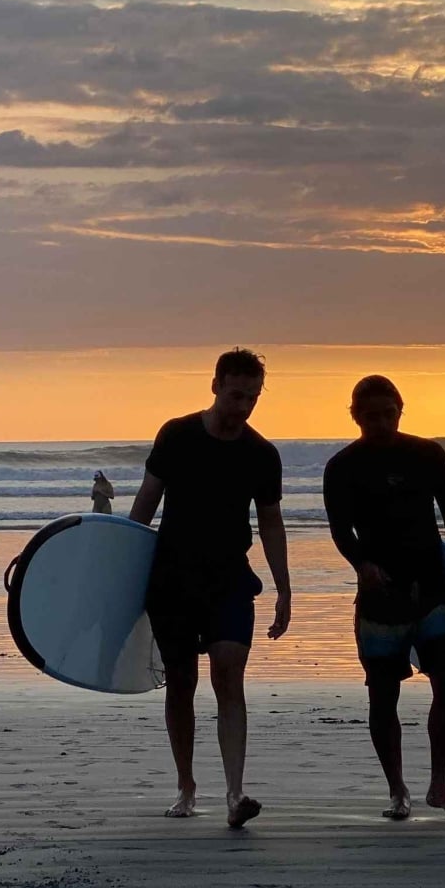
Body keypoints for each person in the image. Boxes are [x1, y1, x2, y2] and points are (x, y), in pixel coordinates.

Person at [128, 348, 292, 828]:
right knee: (180, 683)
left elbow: (272, 524)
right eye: (237, 394)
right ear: (215, 384)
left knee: (228, 674)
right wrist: (118, 571)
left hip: (229, 579)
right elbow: (145, 504)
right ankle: (186, 786)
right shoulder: (176, 434)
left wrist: (284, 589)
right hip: (173, 577)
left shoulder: (262, 454)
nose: (243, 406)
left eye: (253, 398)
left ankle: (235, 793)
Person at [323, 375, 445, 821]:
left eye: (388, 414)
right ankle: (397, 791)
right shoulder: (342, 466)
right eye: (370, 416)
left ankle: (439, 785)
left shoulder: (427, 455)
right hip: (380, 594)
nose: (380, 423)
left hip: (433, 587)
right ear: (355, 416)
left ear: (400, 411)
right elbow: (339, 531)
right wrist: (361, 565)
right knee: (383, 693)